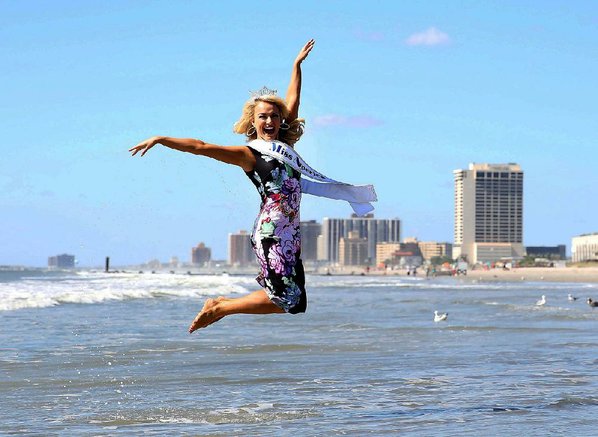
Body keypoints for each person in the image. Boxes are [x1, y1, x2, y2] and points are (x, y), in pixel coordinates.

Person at [130, 39, 375, 333]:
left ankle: (221, 305)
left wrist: (296, 66)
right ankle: (220, 307)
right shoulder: (249, 155)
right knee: (287, 300)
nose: (269, 120)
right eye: (263, 116)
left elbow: (293, 99)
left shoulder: (285, 145)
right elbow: (200, 146)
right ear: (253, 121)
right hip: (271, 232)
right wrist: (161, 138)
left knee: (296, 303)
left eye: (274, 116)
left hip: (290, 233)